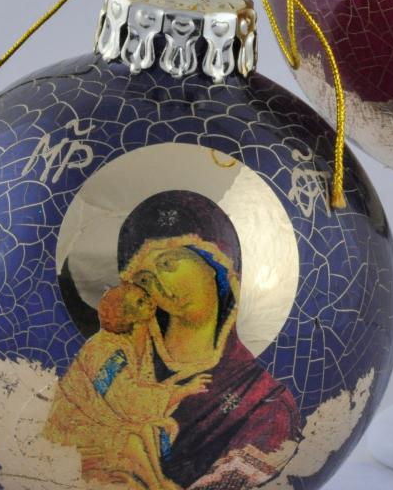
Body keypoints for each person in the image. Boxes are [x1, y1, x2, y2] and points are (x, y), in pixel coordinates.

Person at [115, 191, 302, 489]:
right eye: (145, 279)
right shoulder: (121, 370)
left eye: (169, 264)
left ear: (214, 260)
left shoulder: (264, 402)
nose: (163, 289)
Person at [43, 283, 211, 490]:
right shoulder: (102, 349)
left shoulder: (142, 342)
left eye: (146, 297)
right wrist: (181, 391)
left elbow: (142, 389)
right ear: (125, 315)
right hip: (74, 424)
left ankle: (157, 481)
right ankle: (156, 484)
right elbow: (127, 398)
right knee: (132, 440)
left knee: (153, 429)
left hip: (113, 417)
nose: (149, 303)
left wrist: (181, 383)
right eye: (140, 302)